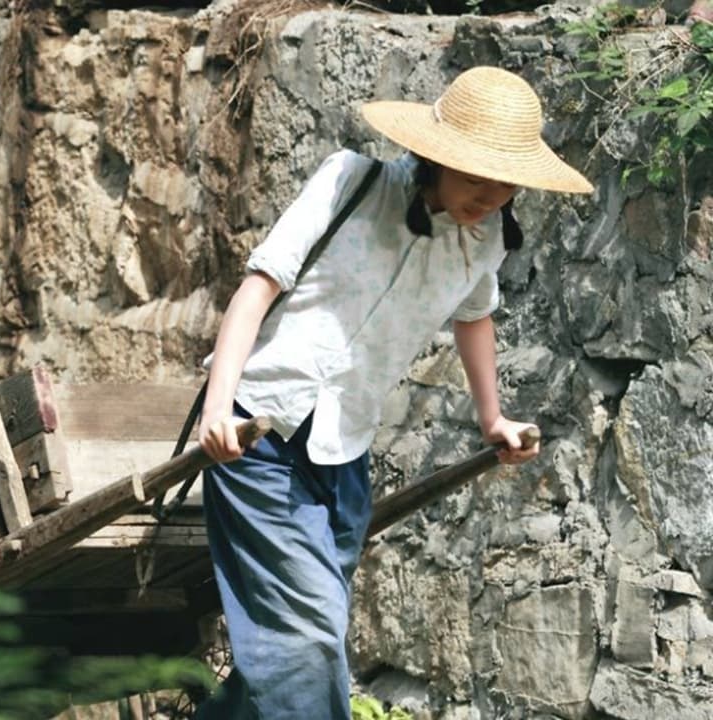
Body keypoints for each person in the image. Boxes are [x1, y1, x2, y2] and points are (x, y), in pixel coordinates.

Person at [194, 67, 594, 719]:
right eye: (475, 176)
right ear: (436, 158)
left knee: (288, 644)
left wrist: (491, 417)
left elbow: (474, 316)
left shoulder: (485, 237)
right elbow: (256, 289)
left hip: (343, 455)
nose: (491, 195)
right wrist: (218, 406)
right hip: (257, 439)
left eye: (505, 181)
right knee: (309, 641)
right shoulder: (352, 182)